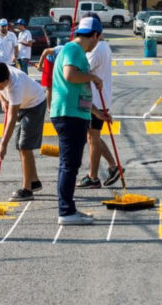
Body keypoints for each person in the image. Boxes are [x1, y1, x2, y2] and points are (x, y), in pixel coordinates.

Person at [51, 15, 107, 226]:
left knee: (70, 164)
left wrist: (96, 112)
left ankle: (69, 207)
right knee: (69, 164)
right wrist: (93, 77)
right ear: (94, 35)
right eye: (98, 38)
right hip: (68, 114)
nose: (97, 43)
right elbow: (70, 76)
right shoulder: (73, 50)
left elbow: (77, 89)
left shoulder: (76, 52)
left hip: (75, 112)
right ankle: (65, 212)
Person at [0, 62, 46, 201]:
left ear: (6, 80)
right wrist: (3, 100)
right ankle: (34, 181)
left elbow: (11, 117)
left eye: (1, 86)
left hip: (35, 104)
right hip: (23, 104)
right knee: (20, 145)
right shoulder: (1, 72)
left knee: (25, 146)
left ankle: (27, 189)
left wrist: (2, 144)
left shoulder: (16, 85)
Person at [81, 17, 120, 187]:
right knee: (92, 137)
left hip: (96, 99)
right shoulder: (101, 46)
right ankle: (112, 166)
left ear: (96, 34)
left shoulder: (97, 50)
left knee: (93, 138)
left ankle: (93, 176)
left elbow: (82, 70)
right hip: (97, 97)